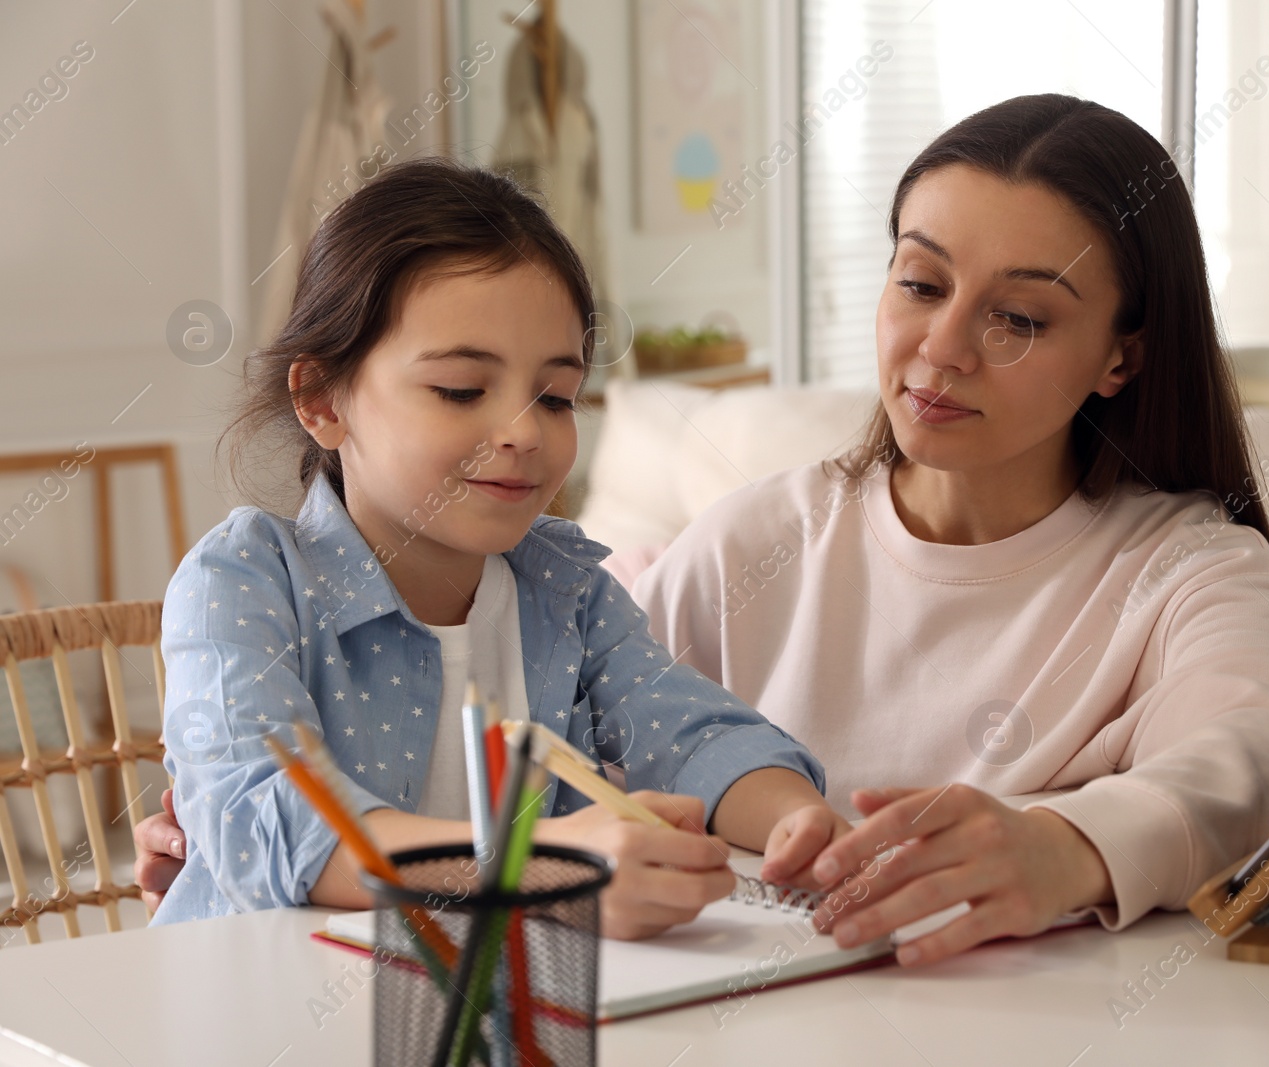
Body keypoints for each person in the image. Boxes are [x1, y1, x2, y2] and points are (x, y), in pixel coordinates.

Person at [139, 96, 1269, 967]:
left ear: (1122, 356)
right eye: (921, 283)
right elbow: (279, 821)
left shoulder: (1186, 572)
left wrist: (815, 828)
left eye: (1021, 317)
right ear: (321, 395)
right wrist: (249, 823)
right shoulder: (745, 537)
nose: (939, 349)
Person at [146, 156, 846, 936]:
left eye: (554, 397)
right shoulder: (242, 580)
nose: (522, 432)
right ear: (320, 400)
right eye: (460, 390)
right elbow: (272, 826)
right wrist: (541, 870)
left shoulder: (567, 588)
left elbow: (693, 735)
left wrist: (797, 821)